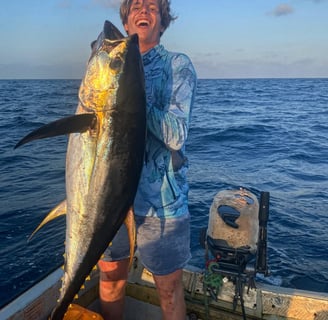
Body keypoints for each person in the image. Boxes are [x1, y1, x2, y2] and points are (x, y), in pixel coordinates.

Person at [98, 1, 197, 319]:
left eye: (152, 6)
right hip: (110, 200)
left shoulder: (177, 65)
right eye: (136, 6)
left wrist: (130, 98)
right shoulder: (107, 67)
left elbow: (177, 135)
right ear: (126, 22)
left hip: (163, 205)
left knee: (168, 292)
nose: (143, 9)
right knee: (110, 280)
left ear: (163, 21)